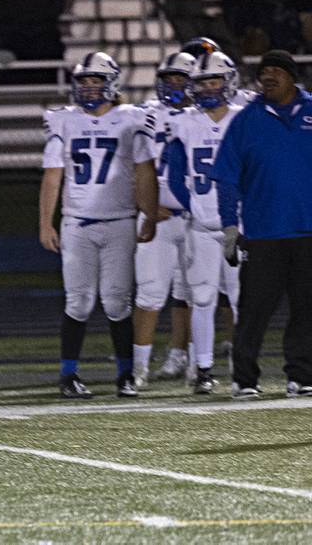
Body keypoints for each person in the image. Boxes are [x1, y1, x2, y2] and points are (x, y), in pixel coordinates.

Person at [39, 52, 160, 399]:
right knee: (77, 301)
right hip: (77, 222)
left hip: (119, 220)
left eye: (96, 82)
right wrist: (45, 223)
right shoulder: (64, 121)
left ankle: (125, 374)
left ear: (112, 84)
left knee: (117, 302)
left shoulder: (132, 119)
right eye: (84, 82)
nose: (90, 89)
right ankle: (68, 375)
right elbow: (52, 176)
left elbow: (144, 172)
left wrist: (149, 214)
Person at [211, 50, 312, 399]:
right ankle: (244, 378)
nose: (268, 77)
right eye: (263, 72)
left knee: (307, 309)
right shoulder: (246, 119)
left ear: (291, 77)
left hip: (308, 232)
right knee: (253, 311)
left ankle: (301, 375)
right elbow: (226, 177)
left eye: (276, 72)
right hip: (263, 232)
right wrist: (228, 226)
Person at [165, 51, 244, 394]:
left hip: (240, 228)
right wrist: (194, 208)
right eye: (203, 83)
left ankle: (243, 369)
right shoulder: (184, 122)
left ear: (229, 83)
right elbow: (174, 175)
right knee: (202, 299)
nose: (209, 88)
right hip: (202, 226)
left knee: (244, 301)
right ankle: (204, 368)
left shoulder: (244, 119)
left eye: (215, 81)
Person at [130, 52, 196, 387]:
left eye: (180, 79)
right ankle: (138, 368)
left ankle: (193, 365)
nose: (174, 85)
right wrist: (145, 205)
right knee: (149, 294)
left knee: (195, 294)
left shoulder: (206, 117)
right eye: (168, 78)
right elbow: (130, 165)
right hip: (159, 218)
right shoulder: (144, 114)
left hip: (197, 219)